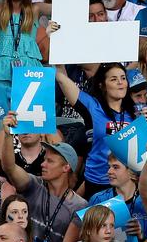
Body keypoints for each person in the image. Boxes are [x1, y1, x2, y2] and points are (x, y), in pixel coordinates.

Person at [0, 112, 87, 242]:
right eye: (44, 159)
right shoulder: (34, 184)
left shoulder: (79, 206)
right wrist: (8, 135)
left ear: (66, 167)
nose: (42, 164)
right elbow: (9, 167)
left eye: (50, 161)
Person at [54, 62, 135, 199]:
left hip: (125, 184)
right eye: (114, 79)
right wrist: (59, 56)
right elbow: (62, 78)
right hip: (97, 182)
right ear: (102, 85)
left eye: (123, 78)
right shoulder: (92, 106)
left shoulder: (134, 112)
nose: (120, 83)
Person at [67, 153, 147, 242]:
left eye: (115, 167)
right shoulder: (98, 199)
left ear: (132, 172)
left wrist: (141, 236)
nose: (109, 171)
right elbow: (84, 235)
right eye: (109, 167)